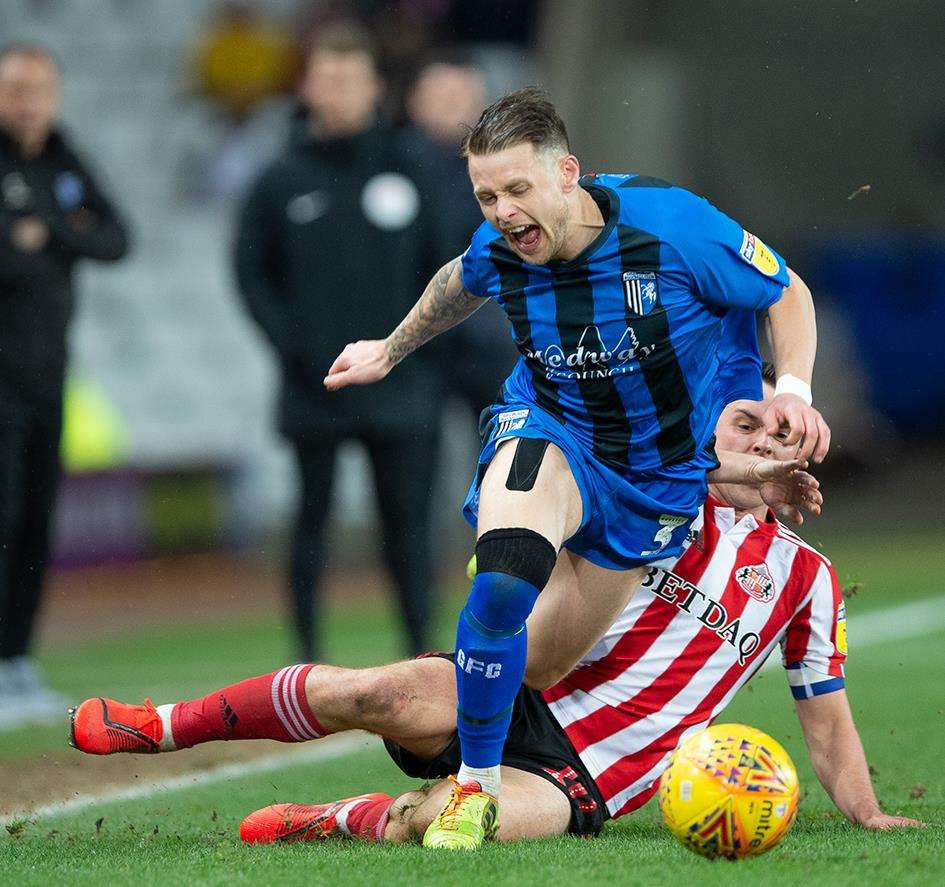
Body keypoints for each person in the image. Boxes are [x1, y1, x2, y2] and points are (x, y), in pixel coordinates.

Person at [69, 370, 921, 842]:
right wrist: (707, 471)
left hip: (596, 771)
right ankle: (165, 722)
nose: (760, 443)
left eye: (780, 436)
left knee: (454, 827)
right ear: (713, 433)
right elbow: (584, 463)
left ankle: (341, 817)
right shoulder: (646, 491)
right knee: (372, 696)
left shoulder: (805, 577)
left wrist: (866, 809)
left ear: (800, 460)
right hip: (521, 680)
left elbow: (825, 713)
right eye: (745, 426)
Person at [321, 88, 831, 846]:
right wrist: (387, 349)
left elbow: (784, 289)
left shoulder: (673, 228)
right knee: (502, 575)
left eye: (517, 189)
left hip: (653, 469)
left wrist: (792, 387)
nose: (500, 210)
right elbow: (458, 280)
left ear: (567, 173)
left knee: (545, 659)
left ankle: (401, 771)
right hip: (552, 426)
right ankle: (475, 786)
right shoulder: (501, 241)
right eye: (486, 194)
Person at [234, 23, 441, 662]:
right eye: (327, 78)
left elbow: (448, 269)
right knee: (310, 525)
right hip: (313, 384)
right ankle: (306, 659)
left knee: (407, 528)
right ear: (306, 86)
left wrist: (408, 345)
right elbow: (249, 271)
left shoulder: (415, 169)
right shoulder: (279, 178)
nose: (339, 91)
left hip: (401, 384)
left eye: (351, 78)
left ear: (375, 86)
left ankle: (422, 656)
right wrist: (293, 347)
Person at [0, 44, 129, 728]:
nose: (30, 102)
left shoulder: (62, 156)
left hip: (48, 372)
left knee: (33, 521)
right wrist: (61, 234)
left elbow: (116, 237)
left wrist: (43, 231)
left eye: (41, 89)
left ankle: (16, 661)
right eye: (17, 88)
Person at [402, 53, 518, 416]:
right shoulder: (389, 164)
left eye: (462, 96)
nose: (454, 107)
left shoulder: (506, 167)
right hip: (416, 334)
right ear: (415, 102)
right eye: (442, 96)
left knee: (500, 444)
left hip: (490, 332)